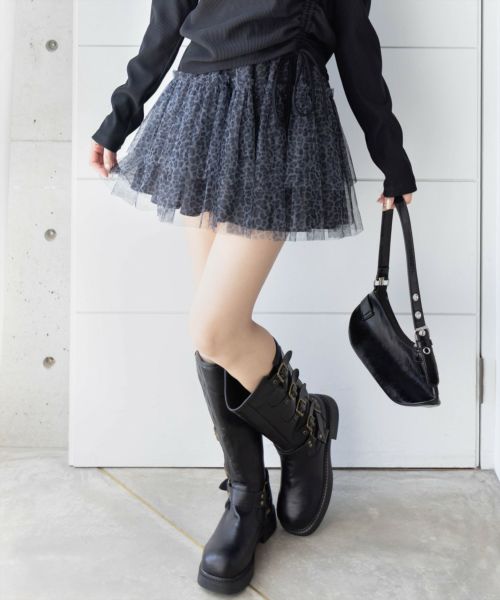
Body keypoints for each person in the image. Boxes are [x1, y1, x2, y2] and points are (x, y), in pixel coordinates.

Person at [89, 0, 415, 594]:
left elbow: (355, 42)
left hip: (282, 110)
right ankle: (247, 496)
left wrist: (389, 153)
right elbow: (167, 20)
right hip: (199, 108)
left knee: (214, 327)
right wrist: (121, 115)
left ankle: (306, 430)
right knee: (211, 330)